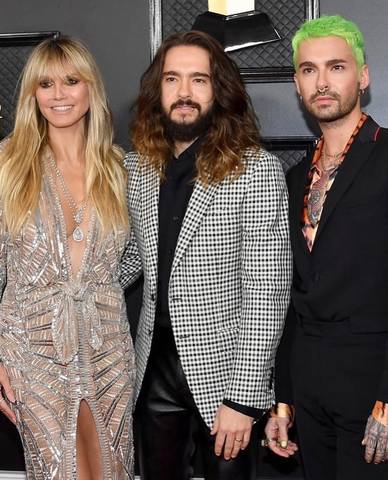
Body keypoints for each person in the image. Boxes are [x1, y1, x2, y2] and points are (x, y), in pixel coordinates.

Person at [120, 30, 292, 480]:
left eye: (199, 80)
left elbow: (268, 291)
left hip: (225, 375)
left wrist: (243, 398)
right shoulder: (137, 166)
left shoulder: (255, 169)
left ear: (219, 90)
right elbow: (133, 257)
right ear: (158, 90)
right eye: (173, 79)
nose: (184, 93)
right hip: (152, 367)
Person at [0, 36, 135, 479]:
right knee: (60, 470)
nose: (58, 95)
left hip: (108, 349)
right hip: (32, 349)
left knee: (110, 469)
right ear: (32, 95)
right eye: (45, 84)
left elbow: (133, 260)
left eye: (71, 81)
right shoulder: (8, 164)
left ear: (90, 88)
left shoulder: (120, 168)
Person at [264, 15, 388, 479]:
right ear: (297, 84)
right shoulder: (294, 179)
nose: (322, 81)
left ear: (363, 75)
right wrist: (284, 399)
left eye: (336, 67)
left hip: (374, 385)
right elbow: (288, 296)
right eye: (308, 69)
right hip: (310, 388)